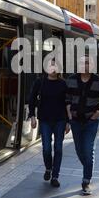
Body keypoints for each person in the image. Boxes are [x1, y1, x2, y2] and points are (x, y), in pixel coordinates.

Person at [66, 56, 99, 195]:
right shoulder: (71, 79)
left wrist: (98, 113)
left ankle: (86, 181)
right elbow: (67, 98)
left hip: (91, 122)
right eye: (81, 62)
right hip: (75, 121)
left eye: (87, 63)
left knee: (88, 150)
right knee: (79, 151)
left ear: (92, 65)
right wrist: (69, 116)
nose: (84, 65)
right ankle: (88, 166)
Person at [28, 60, 69, 188]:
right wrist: (32, 116)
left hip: (60, 120)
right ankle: (48, 168)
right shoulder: (40, 82)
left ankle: (55, 176)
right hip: (45, 120)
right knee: (46, 148)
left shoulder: (63, 84)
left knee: (58, 148)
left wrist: (68, 122)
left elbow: (68, 103)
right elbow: (32, 99)